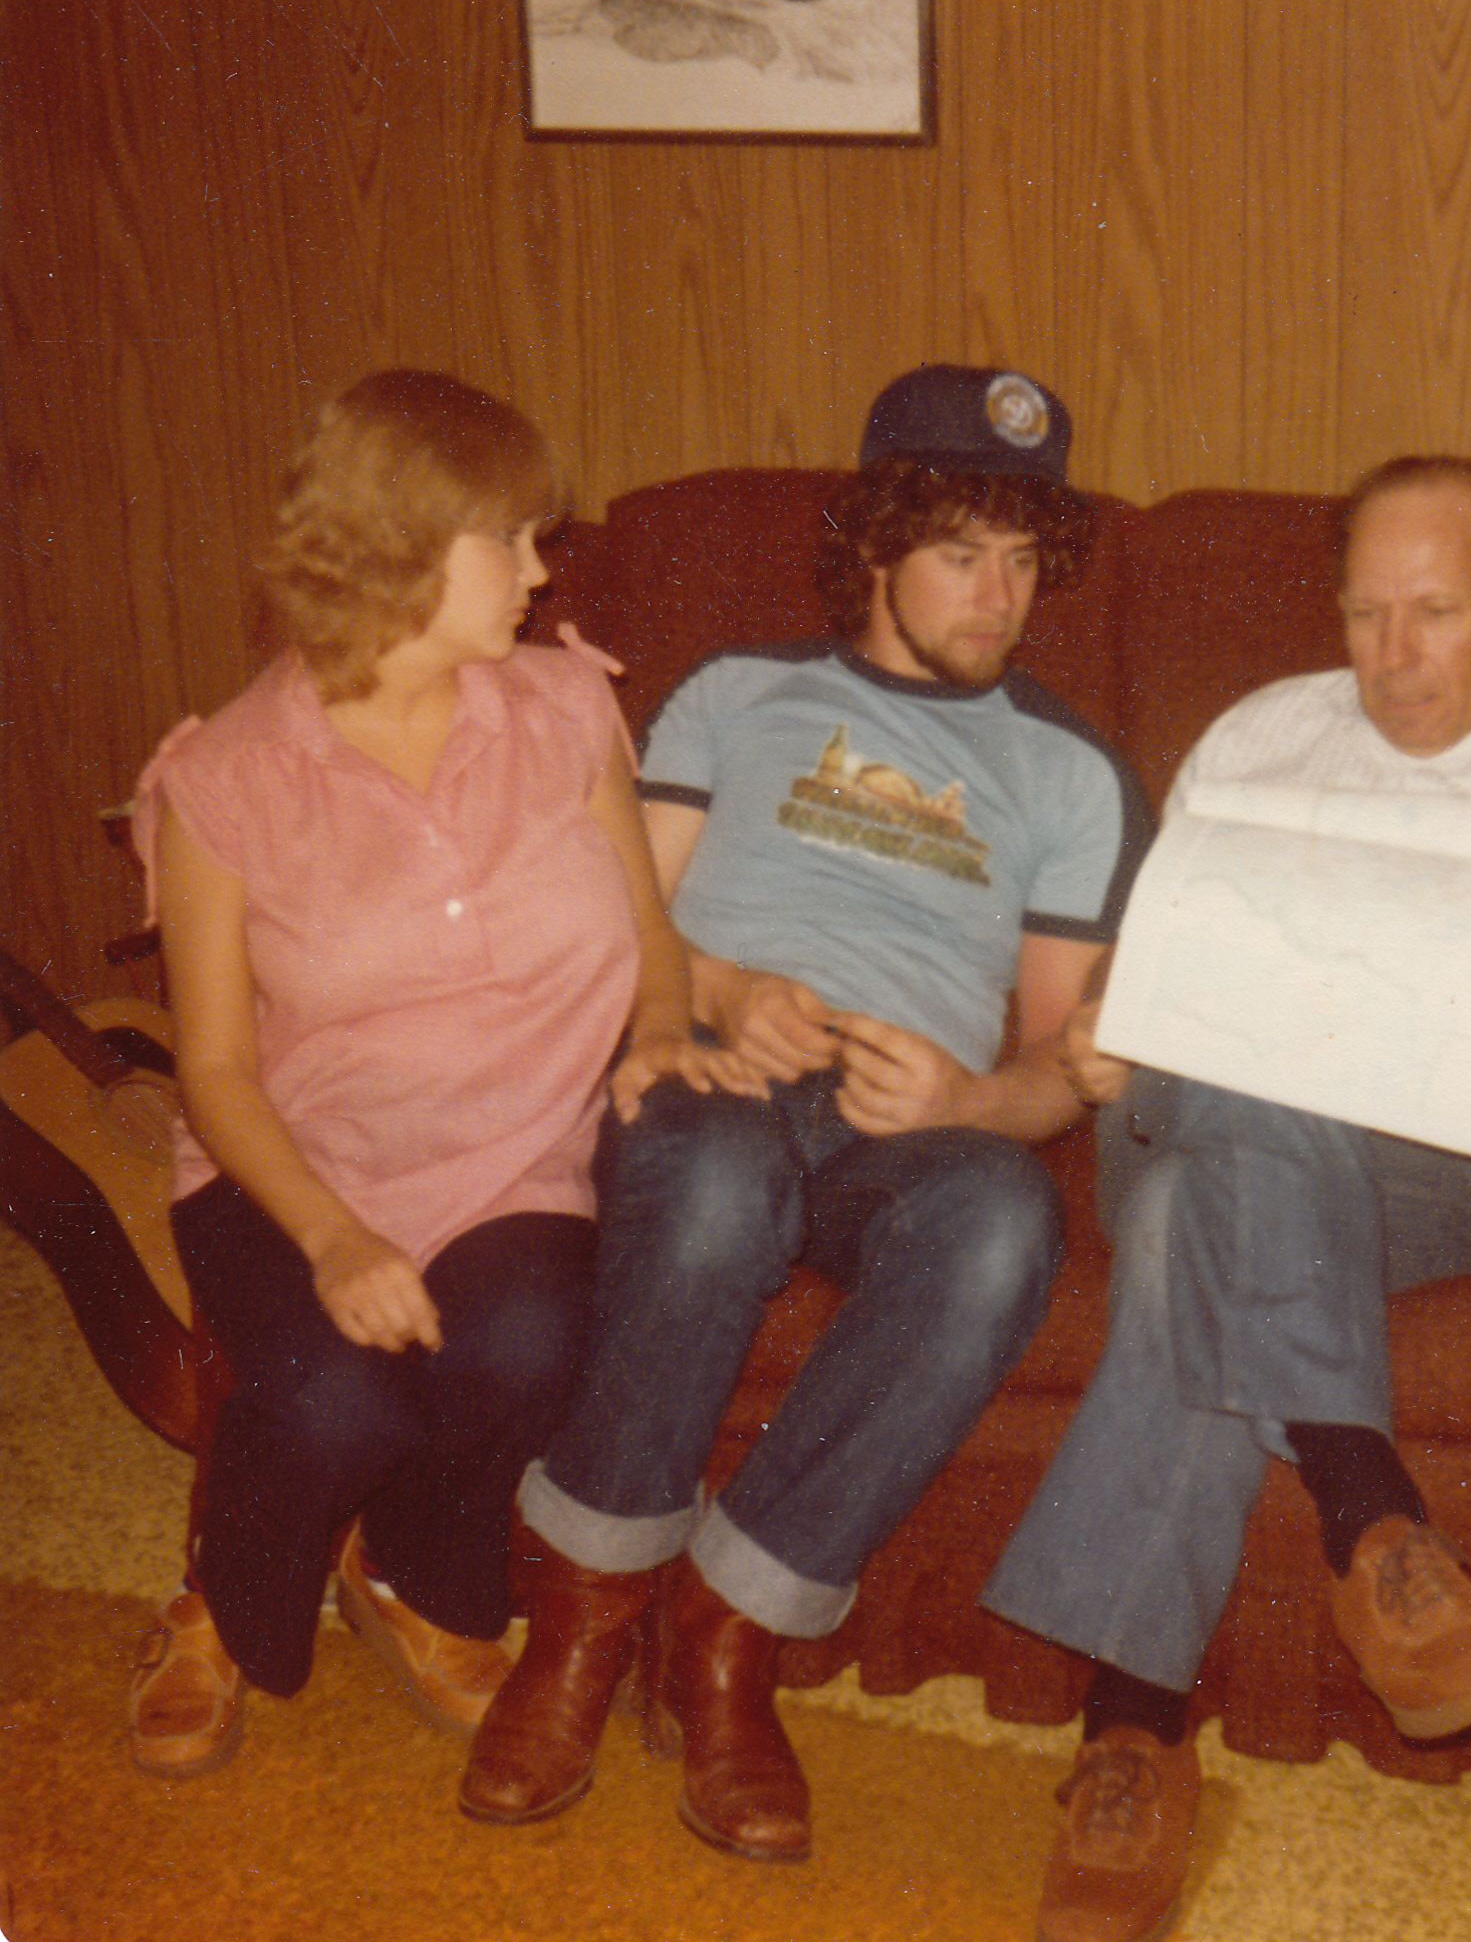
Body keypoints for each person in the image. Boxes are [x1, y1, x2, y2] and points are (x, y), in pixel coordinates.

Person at [980, 450, 1471, 1942]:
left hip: (1429, 1177)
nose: (1392, 655)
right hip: (1188, 1105)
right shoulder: (1259, 742)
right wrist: (1104, 1026)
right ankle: (1375, 1526)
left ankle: (1130, 1729)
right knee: (1254, 1084)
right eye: (1366, 613)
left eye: (1436, 612)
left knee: (1195, 1216)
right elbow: (1158, 965)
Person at [459, 365, 1153, 1858]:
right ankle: (580, 1628)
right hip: (714, 1076)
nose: (1001, 597)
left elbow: (1064, 1062)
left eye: (1024, 560)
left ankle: (727, 1630)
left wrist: (975, 1093)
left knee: (1003, 1218)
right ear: (878, 543)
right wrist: (716, 989)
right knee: (717, 1172)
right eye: (961, 553)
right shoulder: (734, 695)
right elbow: (616, 921)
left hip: (902, 1128)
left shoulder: (1073, 772)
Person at [125, 369, 708, 1777]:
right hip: (292, 1169)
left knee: (527, 1342)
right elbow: (215, 1069)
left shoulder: (565, 709)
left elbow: (652, 936)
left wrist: (661, 1031)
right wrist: (332, 1238)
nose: (540, 571)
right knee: (339, 1403)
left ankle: (409, 1582)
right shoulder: (225, 781)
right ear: (398, 548)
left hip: (513, 1166)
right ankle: (221, 1595)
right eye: (509, 539)